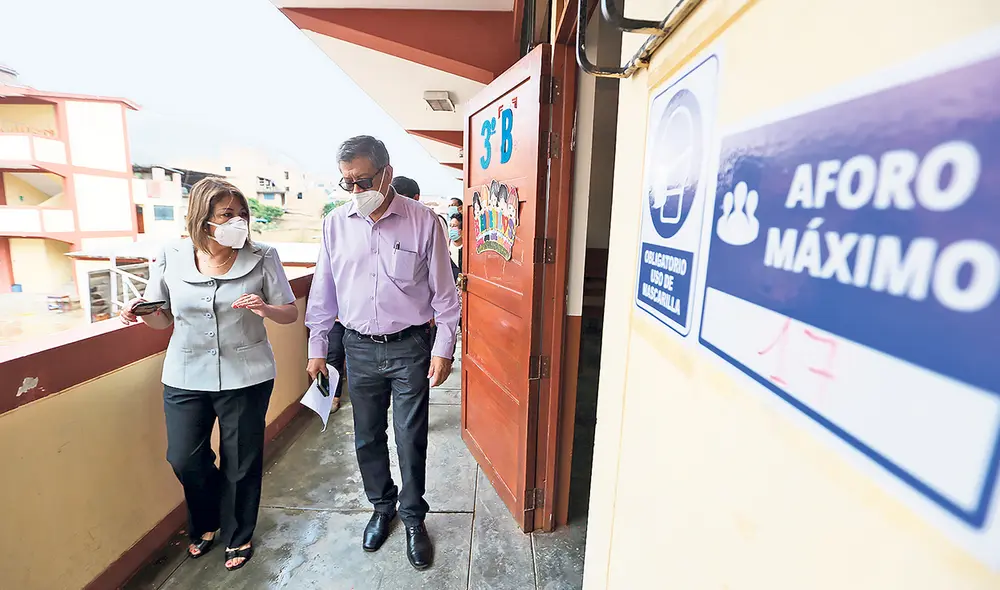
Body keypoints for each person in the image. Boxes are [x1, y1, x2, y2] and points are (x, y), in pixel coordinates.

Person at [120, 178, 298, 572]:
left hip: (247, 374)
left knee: (241, 461)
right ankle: (207, 519)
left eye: (242, 213)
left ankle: (238, 534)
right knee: (184, 458)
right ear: (203, 219)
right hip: (185, 373)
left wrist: (265, 309)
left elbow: (289, 311)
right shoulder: (170, 255)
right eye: (227, 214)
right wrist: (140, 311)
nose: (238, 221)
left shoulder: (263, 255)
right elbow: (161, 317)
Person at [305, 136, 460, 571]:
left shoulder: (423, 222)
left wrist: (444, 349)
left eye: (363, 181)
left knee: (410, 437)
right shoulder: (335, 224)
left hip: (411, 346)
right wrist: (318, 348)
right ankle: (381, 507)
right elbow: (323, 293)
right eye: (347, 182)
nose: (356, 191)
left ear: (387, 172)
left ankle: (413, 517)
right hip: (358, 347)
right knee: (367, 435)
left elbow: (446, 295)